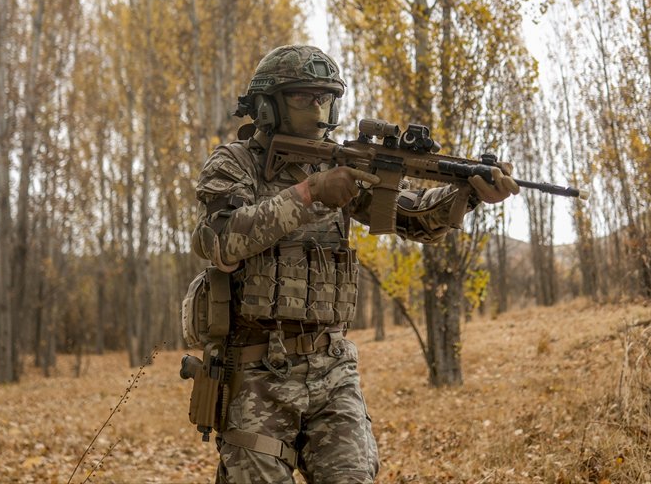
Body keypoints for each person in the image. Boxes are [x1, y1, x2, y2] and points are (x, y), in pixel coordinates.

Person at [190, 44, 519, 484]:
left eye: (325, 98)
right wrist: (308, 195)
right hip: (254, 373)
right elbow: (220, 241)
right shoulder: (234, 164)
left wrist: (471, 193)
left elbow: (414, 218)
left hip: (332, 366)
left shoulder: (341, 164)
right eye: (304, 97)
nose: (318, 107)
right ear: (268, 105)